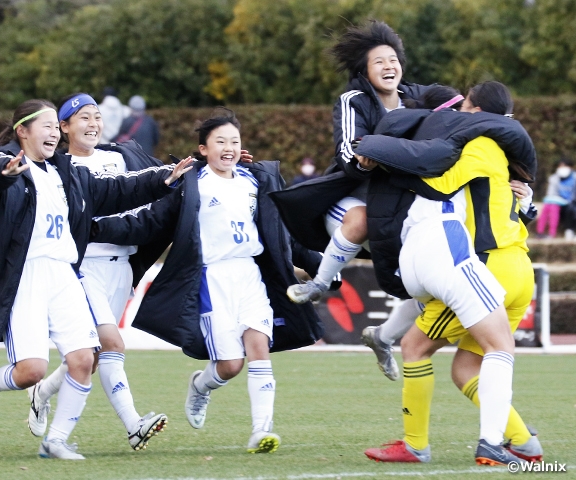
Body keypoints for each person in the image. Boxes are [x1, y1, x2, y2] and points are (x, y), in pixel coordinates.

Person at [0, 99, 191, 460]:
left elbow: (118, 189)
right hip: (27, 275)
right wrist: (2, 174)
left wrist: (164, 177)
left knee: (84, 359)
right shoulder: (4, 165)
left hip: (64, 273)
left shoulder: (66, 173)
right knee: (31, 372)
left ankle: (55, 440)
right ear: (22, 131)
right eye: (47, 126)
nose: (55, 132)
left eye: (57, 126)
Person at [89, 108, 324, 453]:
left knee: (259, 347)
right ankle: (200, 387)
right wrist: (92, 227)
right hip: (213, 279)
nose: (228, 148)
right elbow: (149, 222)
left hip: (250, 276)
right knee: (230, 365)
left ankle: (262, 431)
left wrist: (321, 267)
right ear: (203, 149)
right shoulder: (191, 186)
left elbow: (283, 233)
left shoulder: (254, 181)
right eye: (220, 142)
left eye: (234, 141)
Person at [354, 83, 540, 465]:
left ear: (476, 112)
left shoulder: (478, 145)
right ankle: (523, 441)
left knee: (415, 347)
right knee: (466, 367)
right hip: (520, 267)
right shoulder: (507, 151)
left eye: (465, 107)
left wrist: (379, 157)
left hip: (489, 264)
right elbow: (517, 206)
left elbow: (432, 177)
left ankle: (417, 443)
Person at [25, 93, 168, 452]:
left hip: (122, 268)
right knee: (111, 344)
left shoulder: (120, 156)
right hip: (83, 268)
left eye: (97, 117)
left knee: (89, 353)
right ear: (64, 127)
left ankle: (43, 391)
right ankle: (133, 424)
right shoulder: (58, 167)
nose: (93, 124)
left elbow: (157, 180)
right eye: (83, 118)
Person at [286, 20, 429, 304]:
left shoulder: (419, 98)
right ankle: (319, 283)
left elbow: (459, 111)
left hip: (398, 204)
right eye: (379, 62)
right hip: (351, 198)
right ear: (364, 71)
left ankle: (385, 336)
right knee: (362, 220)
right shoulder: (353, 100)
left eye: (393, 60)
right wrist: (365, 161)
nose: (389, 66)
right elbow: (350, 152)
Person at [535, 158, 576, 238]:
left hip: (572, 204)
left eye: (565, 166)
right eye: (560, 166)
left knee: (570, 209)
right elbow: (551, 194)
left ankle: (562, 231)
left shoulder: (574, 178)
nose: (562, 168)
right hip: (559, 203)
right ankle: (541, 232)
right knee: (549, 206)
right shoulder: (554, 178)